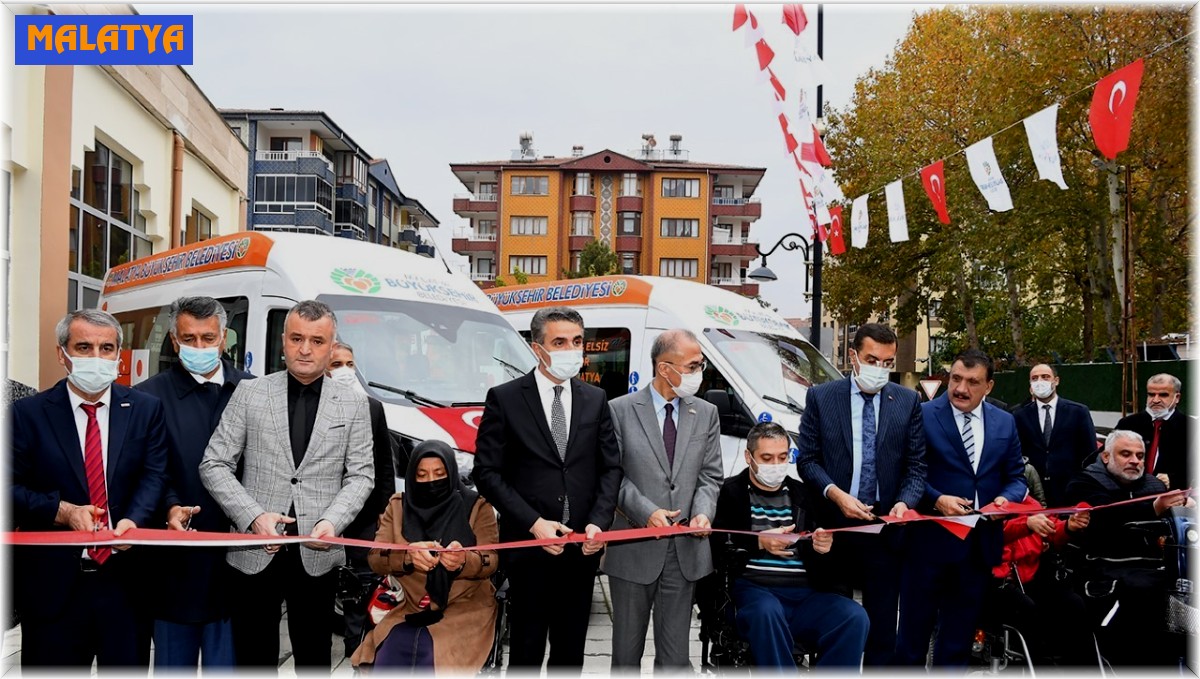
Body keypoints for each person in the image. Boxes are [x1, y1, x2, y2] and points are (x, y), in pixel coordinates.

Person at [199, 300, 374, 671]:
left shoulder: (354, 405)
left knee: (313, 658)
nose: (305, 349)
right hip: (255, 551)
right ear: (283, 341)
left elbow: (361, 475)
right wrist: (252, 517)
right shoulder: (250, 393)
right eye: (296, 338)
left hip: (317, 552)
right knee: (252, 658)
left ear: (332, 344)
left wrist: (332, 522)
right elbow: (213, 464)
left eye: (316, 340)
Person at [9, 309, 169, 668]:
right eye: (84, 347)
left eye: (107, 348)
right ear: (61, 354)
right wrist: (62, 511)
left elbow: (154, 475)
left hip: (125, 585)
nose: (96, 357)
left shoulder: (145, 409)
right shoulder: (27, 414)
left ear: (118, 355)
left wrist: (134, 520)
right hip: (54, 589)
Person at [472, 306, 622, 672]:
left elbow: (610, 467)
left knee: (570, 653)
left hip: (580, 548)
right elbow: (487, 473)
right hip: (529, 550)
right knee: (526, 649)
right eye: (560, 342)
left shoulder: (595, 399)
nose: (571, 350)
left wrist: (599, 523)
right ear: (537, 348)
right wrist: (533, 522)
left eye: (576, 341)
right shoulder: (505, 398)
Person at [796, 322, 925, 666]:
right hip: (833, 530)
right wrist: (836, 495)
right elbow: (806, 460)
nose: (880, 369)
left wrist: (904, 503)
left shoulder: (908, 401)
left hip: (884, 531)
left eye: (887, 362)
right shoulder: (822, 397)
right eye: (872, 359)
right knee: (836, 624)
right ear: (853, 356)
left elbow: (916, 467)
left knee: (883, 629)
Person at [135, 297, 255, 669]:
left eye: (208, 338)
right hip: (175, 566)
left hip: (238, 563)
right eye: (190, 339)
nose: (199, 348)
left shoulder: (252, 391)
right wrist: (169, 506)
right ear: (174, 340)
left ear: (224, 339)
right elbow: (147, 470)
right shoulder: (148, 396)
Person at [895, 349, 1027, 668]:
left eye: (972, 382)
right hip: (928, 545)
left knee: (958, 640)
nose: (961, 389)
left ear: (989, 387)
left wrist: (1004, 501)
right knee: (912, 639)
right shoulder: (923, 414)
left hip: (978, 550)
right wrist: (936, 499)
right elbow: (907, 471)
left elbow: (1017, 478)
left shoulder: (1005, 423)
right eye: (956, 379)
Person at [603, 329, 723, 672]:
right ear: (664, 368)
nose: (700, 372)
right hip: (634, 550)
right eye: (693, 365)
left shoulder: (706, 413)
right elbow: (612, 476)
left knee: (675, 659)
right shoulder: (619, 411)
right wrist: (647, 512)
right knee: (626, 655)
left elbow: (710, 475)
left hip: (685, 551)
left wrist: (703, 514)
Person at [712, 422, 868, 670]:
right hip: (754, 592)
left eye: (782, 457)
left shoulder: (805, 495)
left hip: (806, 595)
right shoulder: (731, 493)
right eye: (767, 458)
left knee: (854, 617)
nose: (775, 465)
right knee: (766, 611)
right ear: (748, 457)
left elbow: (834, 558)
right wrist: (759, 541)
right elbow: (717, 545)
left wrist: (824, 548)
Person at [351, 440, 499, 671]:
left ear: (451, 473)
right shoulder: (398, 506)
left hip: (465, 604)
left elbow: (490, 559)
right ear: (412, 477)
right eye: (422, 475)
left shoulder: (477, 507)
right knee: (392, 650)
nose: (431, 481)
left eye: (439, 473)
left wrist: (463, 561)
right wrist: (407, 557)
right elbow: (375, 558)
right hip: (409, 604)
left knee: (433, 653)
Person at [1065, 429, 1193, 666]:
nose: (1135, 461)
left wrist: (1183, 509)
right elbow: (1103, 517)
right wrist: (1154, 508)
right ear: (1105, 457)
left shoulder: (1154, 485)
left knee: (1184, 589)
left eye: (1140, 455)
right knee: (1144, 591)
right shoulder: (1083, 482)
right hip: (1103, 567)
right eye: (1126, 454)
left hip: (1154, 567)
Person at [327, 340, 398, 657]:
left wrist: (384, 512)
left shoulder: (372, 407)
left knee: (363, 583)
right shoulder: (315, 407)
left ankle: (358, 647)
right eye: (336, 364)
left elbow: (384, 465)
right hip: (322, 516)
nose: (344, 371)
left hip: (365, 516)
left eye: (349, 364)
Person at [981, 476, 1093, 666]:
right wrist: (1026, 525)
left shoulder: (1028, 502)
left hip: (1030, 575)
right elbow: (990, 534)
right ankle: (1040, 665)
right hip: (995, 580)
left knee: (1073, 604)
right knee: (1027, 609)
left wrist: (1069, 526)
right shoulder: (981, 498)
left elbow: (1051, 529)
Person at [1012, 364, 1096, 507]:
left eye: (1045, 377)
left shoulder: (1078, 412)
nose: (1040, 382)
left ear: (1056, 381)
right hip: (1035, 494)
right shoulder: (1019, 415)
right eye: (1035, 378)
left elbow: (1090, 454)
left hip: (1070, 491)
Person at [1115, 373, 1191, 491]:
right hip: (1129, 497)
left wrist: (1174, 480)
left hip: (1173, 500)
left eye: (1163, 395)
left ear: (1177, 398)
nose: (1155, 400)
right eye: (1151, 394)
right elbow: (1105, 458)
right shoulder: (1127, 424)